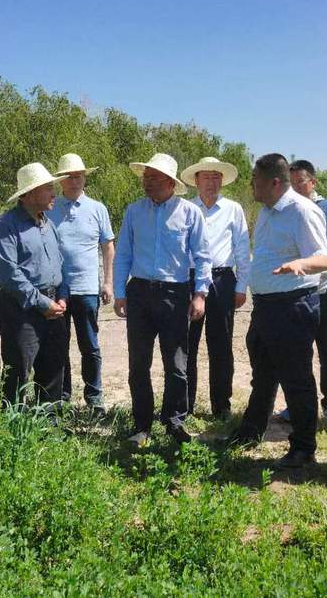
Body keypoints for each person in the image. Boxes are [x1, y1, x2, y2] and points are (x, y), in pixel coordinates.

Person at [228, 153, 327, 470]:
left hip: (293, 305)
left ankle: (303, 447)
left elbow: (323, 259)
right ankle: (250, 433)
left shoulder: (302, 211)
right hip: (266, 307)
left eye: (256, 181)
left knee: (296, 378)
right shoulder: (266, 212)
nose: (252, 186)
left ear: (275, 182)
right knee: (263, 375)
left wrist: (300, 264)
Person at [113, 153, 212, 446]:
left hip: (174, 293)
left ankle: (174, 422)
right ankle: (141, 425)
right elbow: (123, 255)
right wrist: (120, 292)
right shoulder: (134, 212)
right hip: (140, 292)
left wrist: (200, 294)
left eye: (154, 178)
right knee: (138, 364)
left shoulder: (189, 213)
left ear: (170, 182)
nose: (148, 183)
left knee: (176, 363)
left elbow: (203, 257)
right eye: (145, 178)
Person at [275, 159, 327, 427]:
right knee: (298, 351)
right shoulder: (285, 210)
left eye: (301, 182)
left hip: (324, 291)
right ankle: (295, 404)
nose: (296, 188)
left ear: (313, 182)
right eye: (292, 183)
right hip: (294, 293)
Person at [0, 163, 70, 408]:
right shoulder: (7, 225)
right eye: (48, 188)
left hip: (53, 305)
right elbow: (8, 274)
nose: (53, 193)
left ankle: (50, 424)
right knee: (18, 370)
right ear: (29, 194)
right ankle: (15, 428)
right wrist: (41, 302)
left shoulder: (48, 224)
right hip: (21, 310)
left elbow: (60, 264)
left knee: (53, 367)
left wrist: (62, 296)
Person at [180, 156, 250, 419]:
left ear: (222, 180)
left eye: (216, 177)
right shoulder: (185, 208)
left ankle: (221, 406)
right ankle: (184, 405)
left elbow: (242, 249)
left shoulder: (233, 209)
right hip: (189, 280)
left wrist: (241, 285)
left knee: (221, 346)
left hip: (222, 280)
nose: (211, 182)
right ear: (196, 180)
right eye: (206, 177)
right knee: (187, 345)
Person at [47, 153, 115, 414]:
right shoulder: (51, 208)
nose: (74, 181)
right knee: (58, 346)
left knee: (90, 345)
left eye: (79, 175)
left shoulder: (98, 209)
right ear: (61, 181)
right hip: (57, 290)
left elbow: (108, 246)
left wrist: (107, 282)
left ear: (85, 178)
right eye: (69, 176)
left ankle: (94, 396)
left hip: (87, 288)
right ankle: (62, 397)